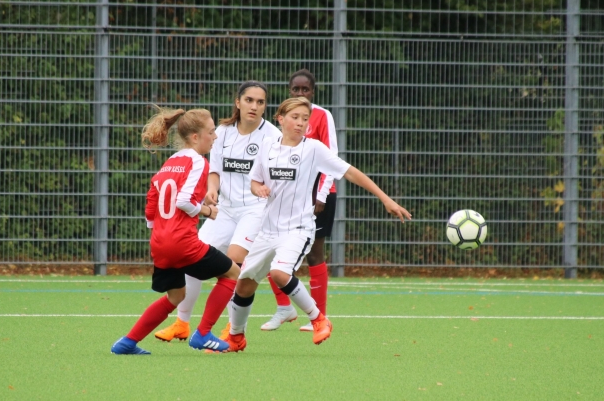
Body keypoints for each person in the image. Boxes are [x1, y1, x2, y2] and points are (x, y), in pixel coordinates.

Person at [219, 97, 411, 352]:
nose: (301, 123)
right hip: (267, 230)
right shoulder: (267, 146)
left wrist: (385, 199)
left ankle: (318, 319)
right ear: (281, 119)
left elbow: (350, 172)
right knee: (244, 285)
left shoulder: (313, 149)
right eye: (295, 117)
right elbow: (255, 181)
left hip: (298, 229)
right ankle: (235, 337)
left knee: (279, 273)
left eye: (305, 119)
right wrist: (259, 189)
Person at [152, 81, 292, 343]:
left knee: (234, 263)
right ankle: (182, 323)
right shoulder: (222, 132)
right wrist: (212, 189)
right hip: (224, 210)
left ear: (265, 107)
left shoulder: (273, 136)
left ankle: (232, 328)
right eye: (249, 100)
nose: (254, 106)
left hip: (255, 210)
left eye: (260, 102)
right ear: (238, 102)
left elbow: (279, 177)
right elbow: (214, 170)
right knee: (190, 260)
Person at [110, 106, 239, 355]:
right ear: (195, 137)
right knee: (232, 273)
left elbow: (151, 206)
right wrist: (207, 211)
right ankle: (203, 334)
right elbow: (182, 201)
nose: (215, 137)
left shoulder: (170, 162)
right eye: (211, 132)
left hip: (160, 241)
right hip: (182, 242)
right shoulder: (199, 162)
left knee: (176, 296)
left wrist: (161, 230)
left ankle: (126, 343)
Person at [261, 69, 338, 332]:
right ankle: (284, 308)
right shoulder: (285, 117)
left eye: (306, 89)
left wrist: (322, 194)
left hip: (319, 194)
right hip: (288, 194)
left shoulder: (322, 115)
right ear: (289, 90)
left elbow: (332, 157)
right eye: (296, 89)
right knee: (273, 249)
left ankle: (319, 315)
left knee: (315, 253)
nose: (301, 93)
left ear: (313, 92)